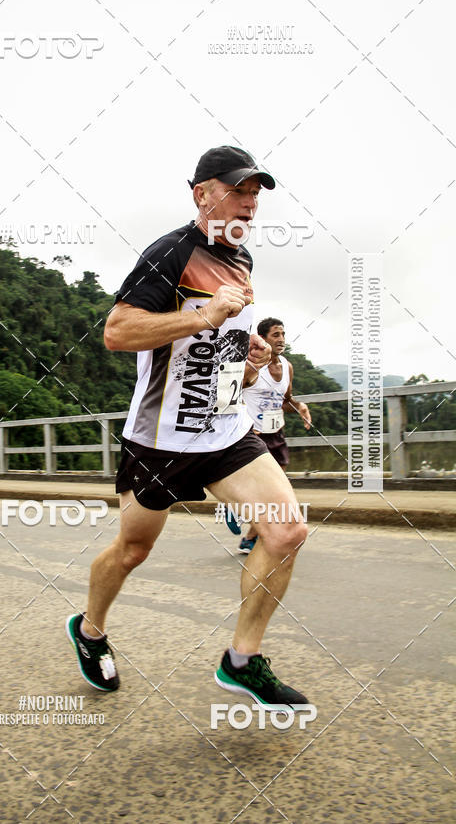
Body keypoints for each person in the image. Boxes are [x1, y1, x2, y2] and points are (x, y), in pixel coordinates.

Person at [66, 145, 310, 709]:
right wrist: (206, 315)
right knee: (131, 551)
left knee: (286, 531)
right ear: (202, 194)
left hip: (226, 431)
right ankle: (91, 630)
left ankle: (242, 662)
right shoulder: (170, 253)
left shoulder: (243, 261)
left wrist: (241, 349)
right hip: (162, 441)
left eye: (254, 194)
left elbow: (216, 337)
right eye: (236, 191)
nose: (248, 204)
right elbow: (119, 332)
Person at [236, 318, 312, 553]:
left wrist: (299, 407)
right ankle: (238, 513)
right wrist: (243, 424)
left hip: (276, 434)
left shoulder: (287, 367)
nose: (281, 339)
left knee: (277, 492)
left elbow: (284, 400)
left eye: (283, 334)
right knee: (269, 492)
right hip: (253, 435)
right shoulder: (251, 367)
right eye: (275, 335)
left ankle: (250, 537)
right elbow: (229, 396)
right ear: (263, 339)